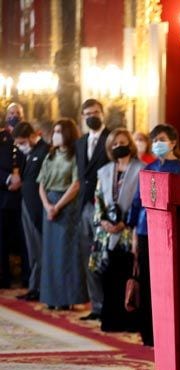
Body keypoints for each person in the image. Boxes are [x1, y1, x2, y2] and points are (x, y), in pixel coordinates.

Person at [127, 124, 180, 346]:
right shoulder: (147, 168)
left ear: (172, 142)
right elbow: (136, 203)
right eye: (154, 139)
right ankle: (148, 333)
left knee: (168, 285)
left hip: (171, 233)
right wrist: (134, 235)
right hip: (145, 232)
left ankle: (169, 333)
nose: (157, 143)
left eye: (161, 139)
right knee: (147, 282)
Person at [90, 128, 144, 332]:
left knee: (126, 275)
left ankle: (129, 320)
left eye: (122, 142)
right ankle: (111, 320)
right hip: (107, 231)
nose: (118, 146)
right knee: (108, 276)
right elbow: (98, 199)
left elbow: (142, 201)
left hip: (129, 232)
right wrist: (103, 221)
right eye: (114, 144)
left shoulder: (141, 169)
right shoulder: (104, 171)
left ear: (129, 144)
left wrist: (125, 223)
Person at [37, 119, 88, 309]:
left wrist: (57, 207)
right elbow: (41, 183)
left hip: (66, 206)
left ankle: (67, 298)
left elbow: (75, 185)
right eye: (54, 131)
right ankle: (52, 297)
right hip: (48, 204)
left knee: (66, 254)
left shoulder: (75, 156)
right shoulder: (50, 155)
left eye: (59, 131)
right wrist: (47, 205)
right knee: (50, 253)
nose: (55, 134)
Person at [75, 98, 110, 321]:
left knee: (106, 257)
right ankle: (96, 305)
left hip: (105, 206)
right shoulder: (81, 142)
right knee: (89, 257)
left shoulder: (112, 138)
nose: (91, 116)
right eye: (87, 113)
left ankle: (110, 305)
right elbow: (80, 176)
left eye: (95, 112)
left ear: (102, 113)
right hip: (84, 206)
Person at [13, 122, 50, 301]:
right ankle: (34, 287)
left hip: (38, 208)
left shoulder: (44, 151)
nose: (20, 146)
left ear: (32, 136)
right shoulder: (29, 154)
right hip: (27, 205)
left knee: (40, 250)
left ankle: (41, 288)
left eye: (22, 142)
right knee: (32, 251)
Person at [0, 106, 28, 288]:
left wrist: (22, 181)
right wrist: (8, 179)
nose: (14, 116)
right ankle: (3, 278)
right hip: (3, 196)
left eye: (17, 113)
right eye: (11, 113)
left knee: (25, 240)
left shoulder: (30, 136)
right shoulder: (1, 137)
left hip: (24, 198)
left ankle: (27, 278)